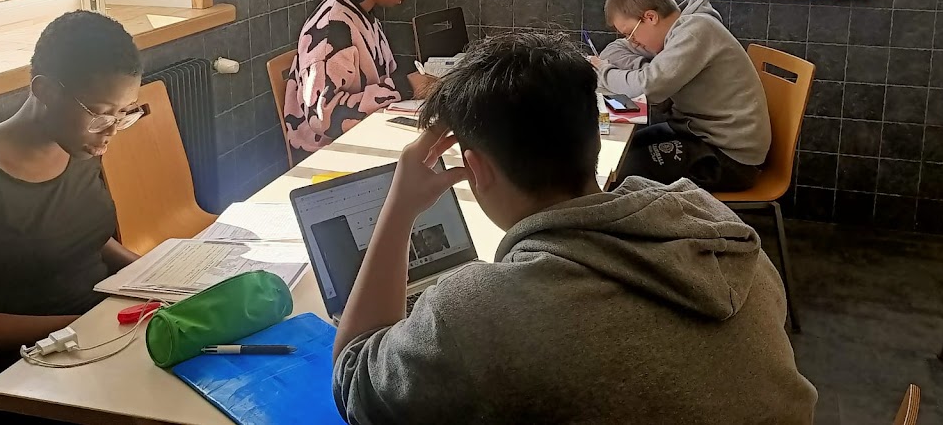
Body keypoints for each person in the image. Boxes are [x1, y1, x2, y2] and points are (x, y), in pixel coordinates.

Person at [331, 33, 815, 423]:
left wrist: (400, 207)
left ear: (475, 168)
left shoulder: (477, 313)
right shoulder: (719, 230)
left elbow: (355, 381)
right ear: (593, 136)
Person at [0, 11, 146, 424]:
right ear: (45, 91)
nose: (111, 131)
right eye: (101, 113)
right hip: (13, 371)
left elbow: (89, 239)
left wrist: (155, 278)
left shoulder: (80, 145)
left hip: (96, 336)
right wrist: (85, 324)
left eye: (124, 113)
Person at [593, 0, 771, 192]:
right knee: (614, 155)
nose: (632, 41)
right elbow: (613, 50)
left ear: (650, 17)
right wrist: (644, 69)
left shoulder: (695, 32)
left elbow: (647, 89)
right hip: (696, 134)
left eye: (630, 33)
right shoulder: (673, 33)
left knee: (618, 172)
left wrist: (605, 71)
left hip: (729, 157)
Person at [285, 0, 428, 154]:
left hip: (363, 134)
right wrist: (405, 86)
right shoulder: (333, 30)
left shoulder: (361, 13)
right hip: (327, 151)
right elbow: (323, 118)